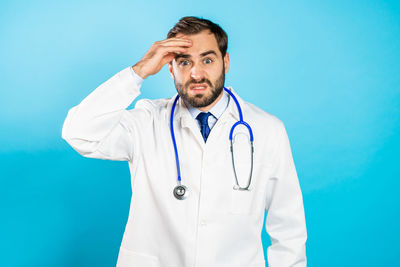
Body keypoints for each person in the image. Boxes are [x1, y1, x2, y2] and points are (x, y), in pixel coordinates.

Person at [62, 16, 307, 267]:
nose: (196, 73)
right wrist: (139, 71)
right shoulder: (147, 122)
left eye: (208, 60)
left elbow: (288, 227)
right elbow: (78, 133)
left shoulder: (267, 130)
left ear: (226, 62)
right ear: (170, 68)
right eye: (184, 62)